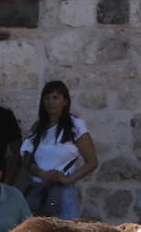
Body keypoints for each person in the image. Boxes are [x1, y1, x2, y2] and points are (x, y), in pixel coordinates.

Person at [19, 81, 98, 220]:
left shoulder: (75, 125)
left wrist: (69, 179)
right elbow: (27, 160)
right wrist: (42, 173)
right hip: (38, 190)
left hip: (62, 192)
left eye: (55, 97)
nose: (51, 102)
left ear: (65, 101)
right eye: (47, 98)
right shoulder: (38, 128)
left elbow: (92, 162)